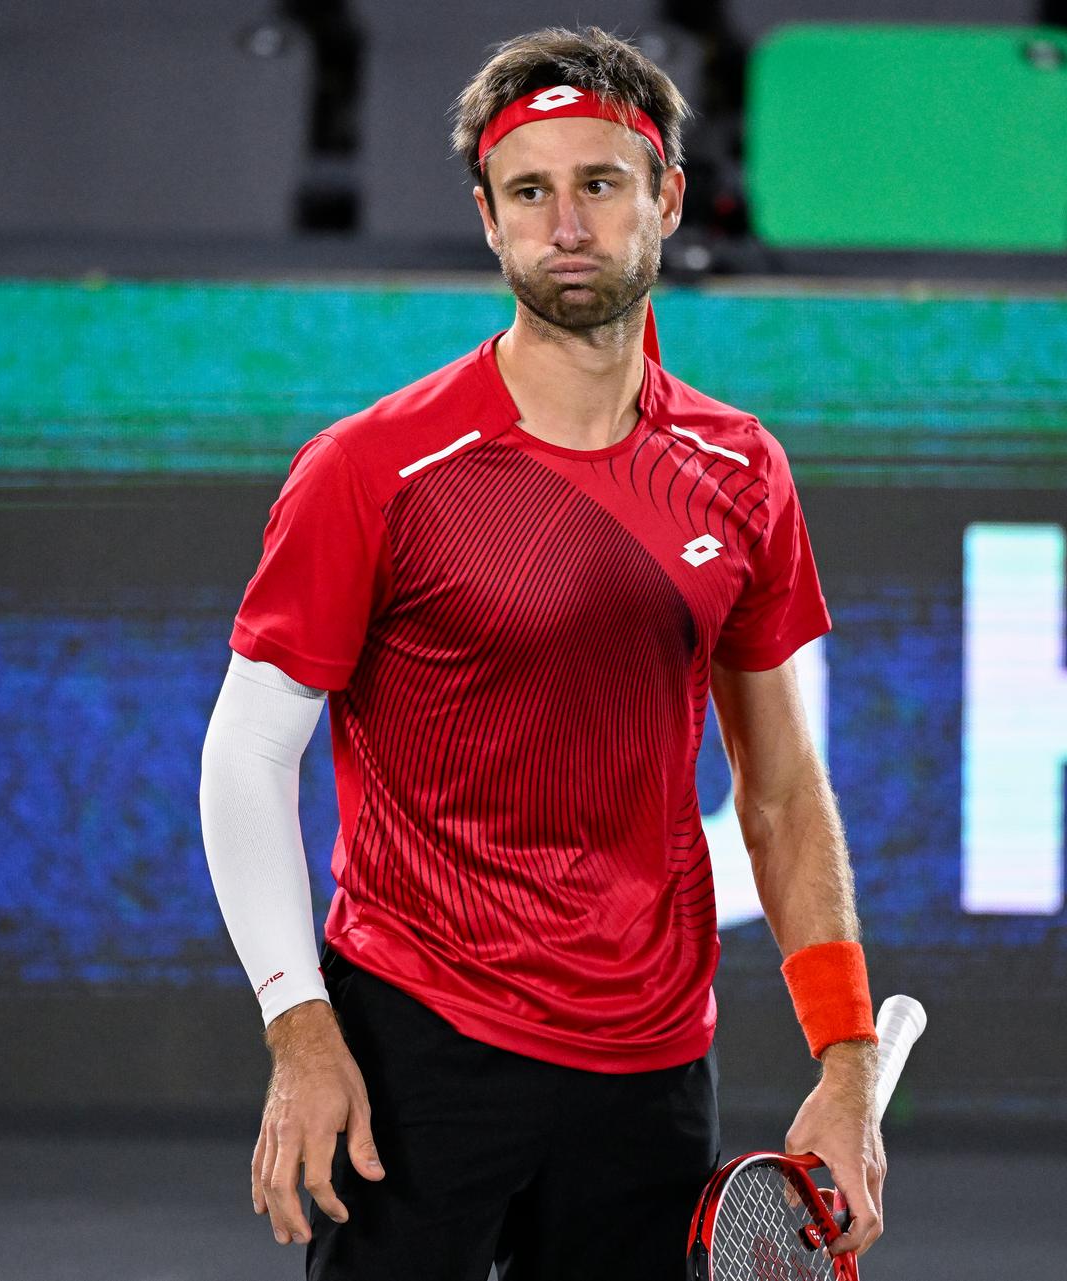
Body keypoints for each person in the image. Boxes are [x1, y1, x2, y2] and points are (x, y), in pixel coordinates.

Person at [199, 25, 886, 1281]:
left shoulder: (741, 469)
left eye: (600, 183)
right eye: (529, 192)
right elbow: (247, 752)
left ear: (666, 198)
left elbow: (784, 789)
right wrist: (300, 1025)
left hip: (653, 1063)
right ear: (489, 217)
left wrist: (845, 1063)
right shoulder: (372, 469)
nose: (566, 225)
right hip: (419, 1035)